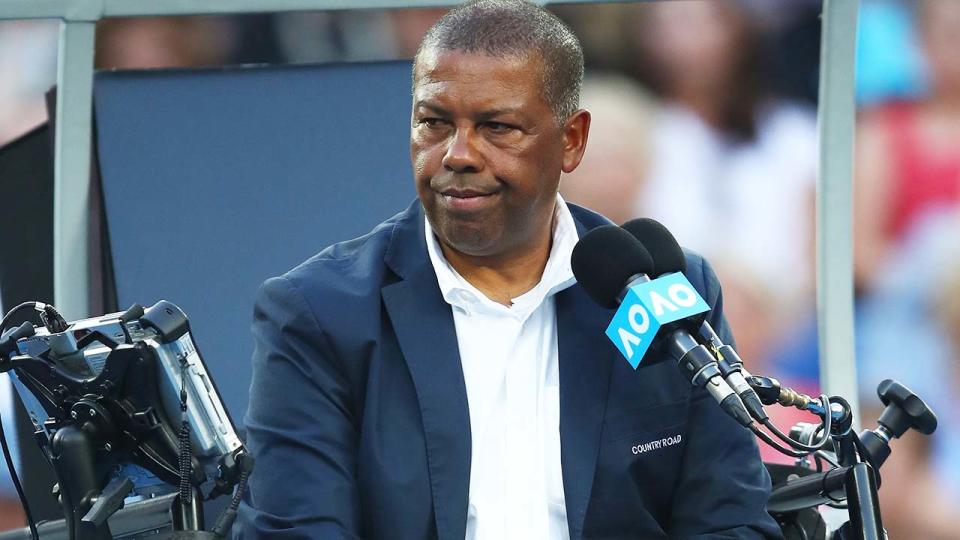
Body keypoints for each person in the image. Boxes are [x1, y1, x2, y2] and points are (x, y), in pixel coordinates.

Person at [235, 1, 781, 538]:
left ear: (572, 141)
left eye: (497, 127)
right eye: (434, 122)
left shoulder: (664, 292)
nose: (458, 154)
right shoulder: (320, 313)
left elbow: (732, 523)